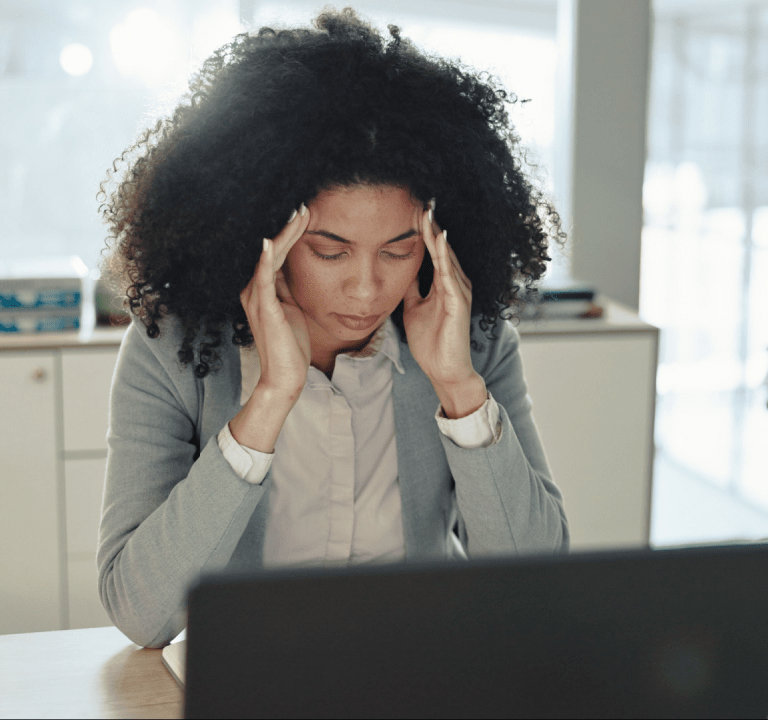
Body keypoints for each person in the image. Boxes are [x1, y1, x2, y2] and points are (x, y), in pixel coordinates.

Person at [96, 8, 568, 649]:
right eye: (330, 251)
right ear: (266, 236)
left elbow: (535, 584)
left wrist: (459, 388)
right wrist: (266, 405)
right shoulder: (174, 351)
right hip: (253, 675)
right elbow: (138, 612)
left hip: (423, 669)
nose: (367, 288)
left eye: (398, 251)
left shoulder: (472, 342)